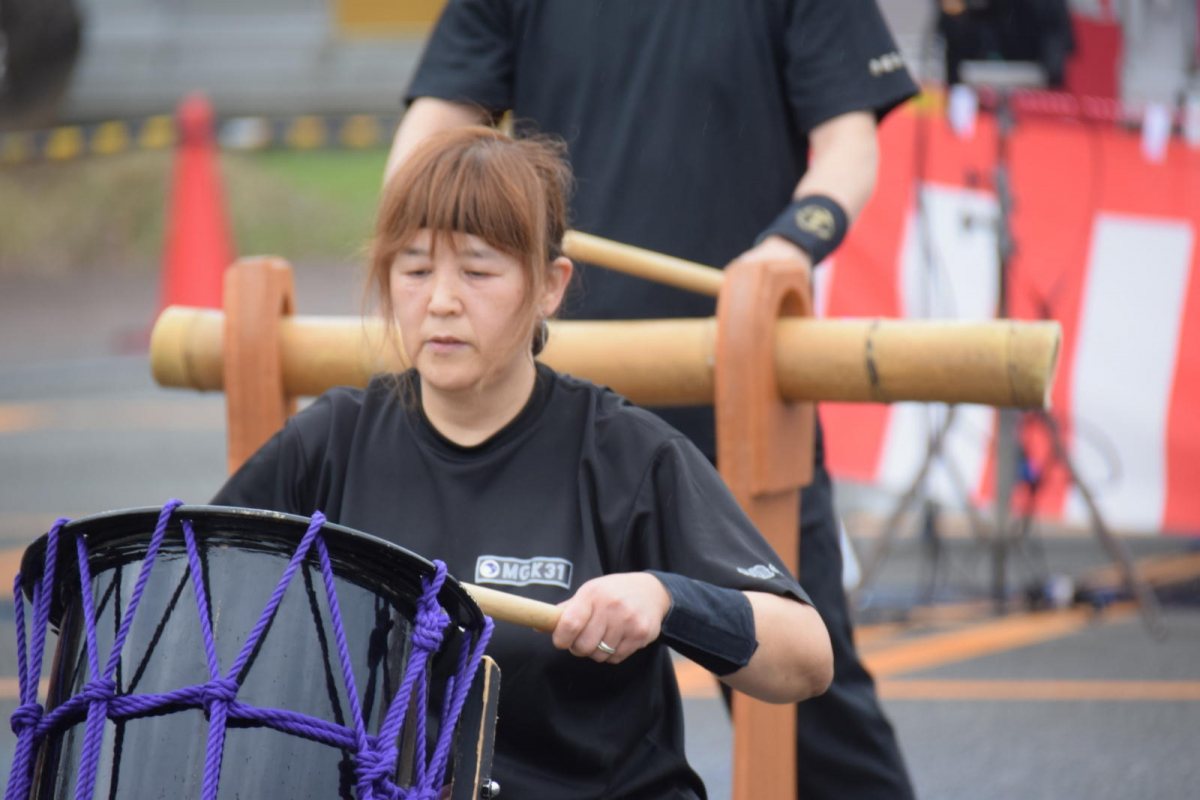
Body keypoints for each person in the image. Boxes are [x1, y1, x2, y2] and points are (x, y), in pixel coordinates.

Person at [385, 3, 921, 798]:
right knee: (492, 686)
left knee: (813, 720)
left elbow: (847, 142)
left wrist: (786, 246)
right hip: (538, 397)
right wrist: (426, 232)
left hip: (734, 382)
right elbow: (437, 122)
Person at [214, 127, 833, 800]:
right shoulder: (329, 444)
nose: (441, 300)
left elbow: (806, 658)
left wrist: (665, 597)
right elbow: (193, 596)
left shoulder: (624, 453)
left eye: (477, 270)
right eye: (415, 269)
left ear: (549, 286)